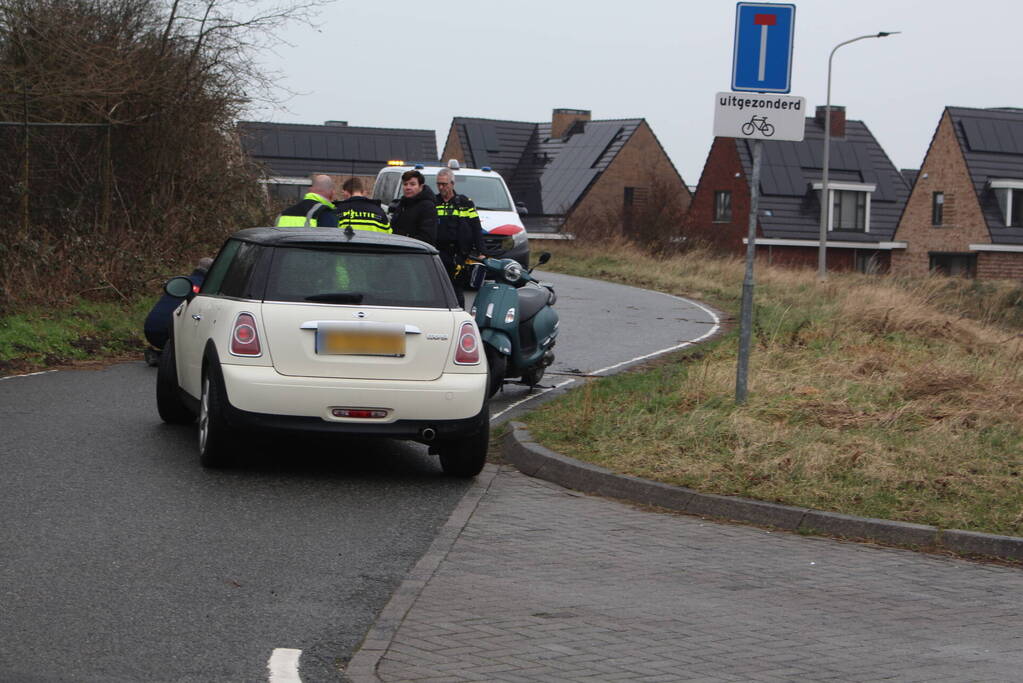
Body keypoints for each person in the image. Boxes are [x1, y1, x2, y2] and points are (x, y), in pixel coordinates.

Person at [143, 257, 213, 364]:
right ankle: (167, 357)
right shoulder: (205, 287)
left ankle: (160, 355)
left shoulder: (182, 281)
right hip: (169, 332)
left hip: (150, 328)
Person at [434, 168, 485, 307]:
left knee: (456, 289)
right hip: (438, 253)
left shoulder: (464, 203)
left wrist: (481, 252)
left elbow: (476, 228)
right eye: (438, 184)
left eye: (444, 184)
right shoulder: (433, 202)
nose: (441, 187)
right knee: (438, 289)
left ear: (452, 184)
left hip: (458, 254)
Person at [389, 170, 436, 245]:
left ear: (421, 186)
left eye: (412, 184)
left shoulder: (427, 207)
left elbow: (427, 237)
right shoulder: (402, 204)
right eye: (405, 184)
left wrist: (405, 242)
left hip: (415, 252)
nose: (408, 187)